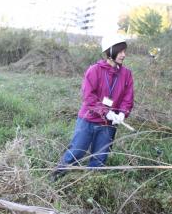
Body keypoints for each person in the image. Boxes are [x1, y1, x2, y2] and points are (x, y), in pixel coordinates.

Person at [52, 34, 134, 179]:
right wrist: (105, 111)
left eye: (124, 51)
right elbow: (88, 97)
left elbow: (128, 97)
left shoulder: (126, 74)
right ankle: (55, 178)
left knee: (99, 158)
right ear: (110, 51)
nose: (123, 55)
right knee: (76, 152)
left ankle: (90, 185)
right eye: (120, 51)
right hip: (88, 120)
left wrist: (122, 113)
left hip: (108, 125)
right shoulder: (94, 70)